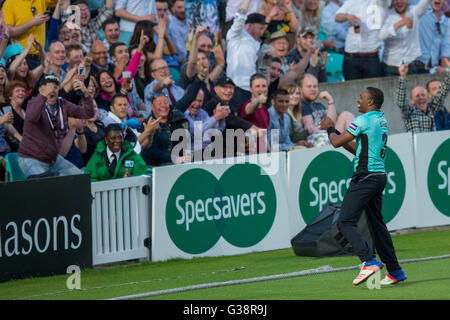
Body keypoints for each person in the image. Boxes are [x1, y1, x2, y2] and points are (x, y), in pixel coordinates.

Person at [320, 87, 407, 286]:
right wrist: (338, 135)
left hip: (365, 177)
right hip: (378, 176)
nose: (357, 99)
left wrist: (329, 127)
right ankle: (395, 271)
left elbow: (335, 142)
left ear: (370, 102)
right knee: (377, 227)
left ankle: (369, 261)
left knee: (345, 222)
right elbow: (356, 149)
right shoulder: (380, 120)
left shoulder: (363, 120)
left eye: (361, 97)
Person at [18, 74, 95, 177]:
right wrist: (43, 97)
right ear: (41, 90)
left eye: (55, 87)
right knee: (43, 184)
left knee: (79, 179)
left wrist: (86, 94)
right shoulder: (34, 102)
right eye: (49, 87)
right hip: (31, 158)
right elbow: (32, 116)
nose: (52, 90)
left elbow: (88, 113)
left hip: (53, 159)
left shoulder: (63, 104)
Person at [226, 0, 268, 112]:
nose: (262, 32)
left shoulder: (257, 43)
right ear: (249, 25)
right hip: (236, 86)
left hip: (251, 89)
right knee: (238, 123)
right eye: (260, 28)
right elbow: (240, 16)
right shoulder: (235, 34)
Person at [335, 0, 390, 80]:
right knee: (351, 90)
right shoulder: (351, 1)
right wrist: (347, 17)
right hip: (350, 57)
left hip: (371, 58)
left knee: (372, 90)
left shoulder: (380, 2)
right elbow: (337, 17)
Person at [379, 0, 432, 76]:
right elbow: (381, 36)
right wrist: (398, 24)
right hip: (390, 67)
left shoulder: (414, 11)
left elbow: (426, 2)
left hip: (411, 66)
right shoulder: (387, 15)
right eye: (395, 0)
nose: (398, 1)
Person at [300, 74, 354, 146]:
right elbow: (310, 128)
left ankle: (357, 146)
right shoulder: (303, 105)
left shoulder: (320, 105)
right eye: (309, 86)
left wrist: (330, 101)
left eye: (315, 86)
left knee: (346, 115)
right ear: (300, 89)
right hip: (319, 138)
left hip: (329, 135)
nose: (312, 89)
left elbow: (332, 121)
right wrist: (325, 127)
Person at [84, 123, 149, 181]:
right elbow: (90, 179)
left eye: (120, 137)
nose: (117, 141)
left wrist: (130, 181)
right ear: (106, 140)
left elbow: (142, 176)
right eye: (113, 138)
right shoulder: (97, 155)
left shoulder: (132, 155)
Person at [2, 0, 56, 69]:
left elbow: (60, 2)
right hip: (21, 58)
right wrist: (32, 22)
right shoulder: (10, 3)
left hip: (41, 57)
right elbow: (8, 32)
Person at [396, 63, 450, 132]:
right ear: (412, 101)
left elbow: (442, 93)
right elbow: (401, 102)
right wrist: (402, 77)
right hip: (415, 142)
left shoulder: (432, 108)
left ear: (428, 98)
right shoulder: (409, 112)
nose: (421, 97)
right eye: (417, 96)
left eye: (423, 95)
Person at [184, 88, 227, 157]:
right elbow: (195, 132)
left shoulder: (203, 113)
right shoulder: (182, 114)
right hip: (191, 155)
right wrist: (215, 117)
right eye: (194, 100)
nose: (197, 104)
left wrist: (221, 119)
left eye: (200, 101)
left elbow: (217, 132)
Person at [415, 0, 450, 73]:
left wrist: (445, 67)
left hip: (433, 69)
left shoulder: (446, 20)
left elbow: (446, 45)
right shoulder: (420, 12)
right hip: (415, 68)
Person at [168, 0, 189, 65]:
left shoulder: (189, 21)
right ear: (173, 9)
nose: (183, 10)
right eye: (179, 7)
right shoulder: (172, 26)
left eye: (185, 7)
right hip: (180, 62)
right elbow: (181, 51)